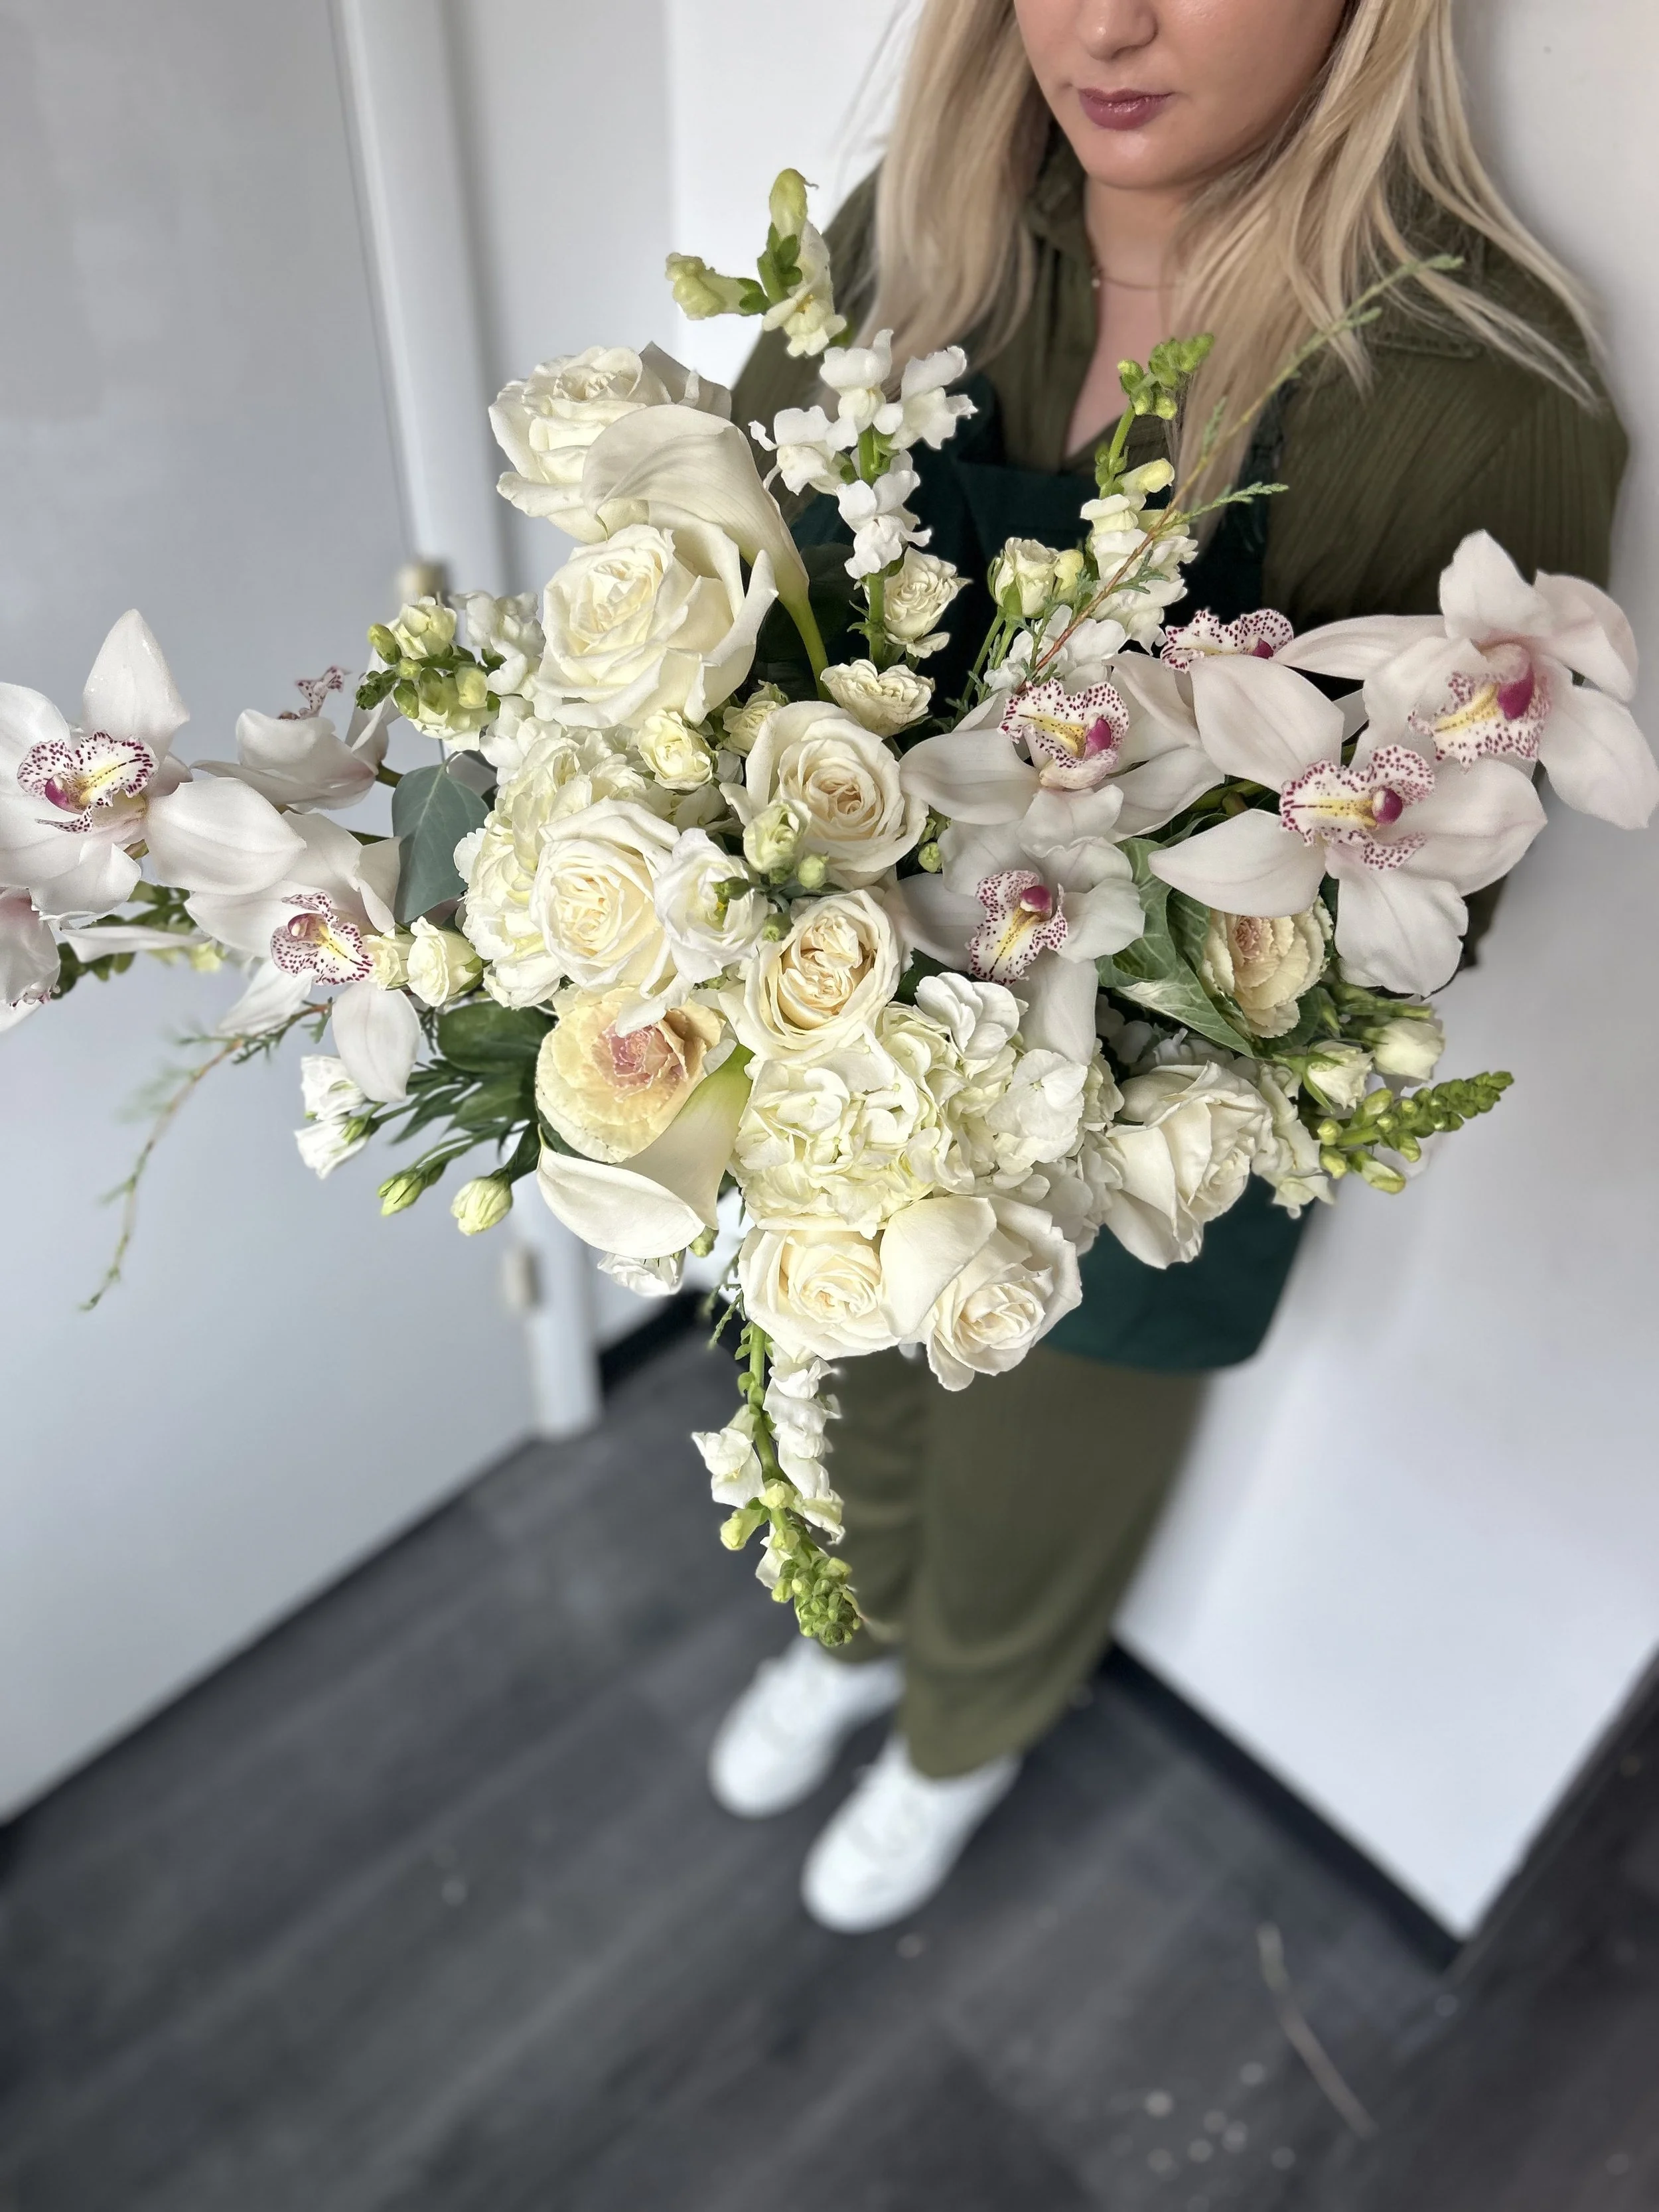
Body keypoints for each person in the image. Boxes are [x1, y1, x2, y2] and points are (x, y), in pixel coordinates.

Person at [712, 0, 1628, 1933]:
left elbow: (1417, 920)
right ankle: (861, 1639)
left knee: (1043, 1464)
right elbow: (709, 600)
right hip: (830, 1061)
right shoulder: (920, 240)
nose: (1103, 24)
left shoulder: (1475, 401)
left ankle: (959, 1734)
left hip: (1148, 1145)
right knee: (856, 1390)